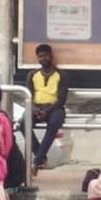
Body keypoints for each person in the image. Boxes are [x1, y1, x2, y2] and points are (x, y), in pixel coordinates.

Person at [17, 44, 68, 175]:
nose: (43, 58)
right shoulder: (32, 75)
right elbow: (28, 95)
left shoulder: (60, 74)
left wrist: (47, 111)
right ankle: (42, 158)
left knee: (54, 124)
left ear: (51, 56)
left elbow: (61, 99)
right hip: (36, 107)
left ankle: (36, 160)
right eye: (40, 56)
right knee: (23, 124)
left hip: (54, 107)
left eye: (45, 55)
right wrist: (34, 109)